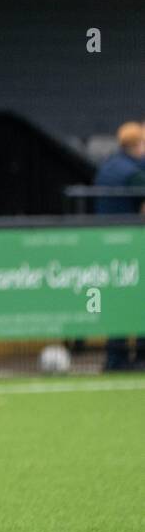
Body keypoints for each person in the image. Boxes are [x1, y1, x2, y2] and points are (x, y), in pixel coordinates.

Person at [93, 121, 145, 370]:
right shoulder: (134, 172)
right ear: (137, 144)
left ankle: (115, 358)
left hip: (106, 243)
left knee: (116, 301)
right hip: (132, 245)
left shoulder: (109, 166)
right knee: (138, 299)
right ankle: (139, 358)